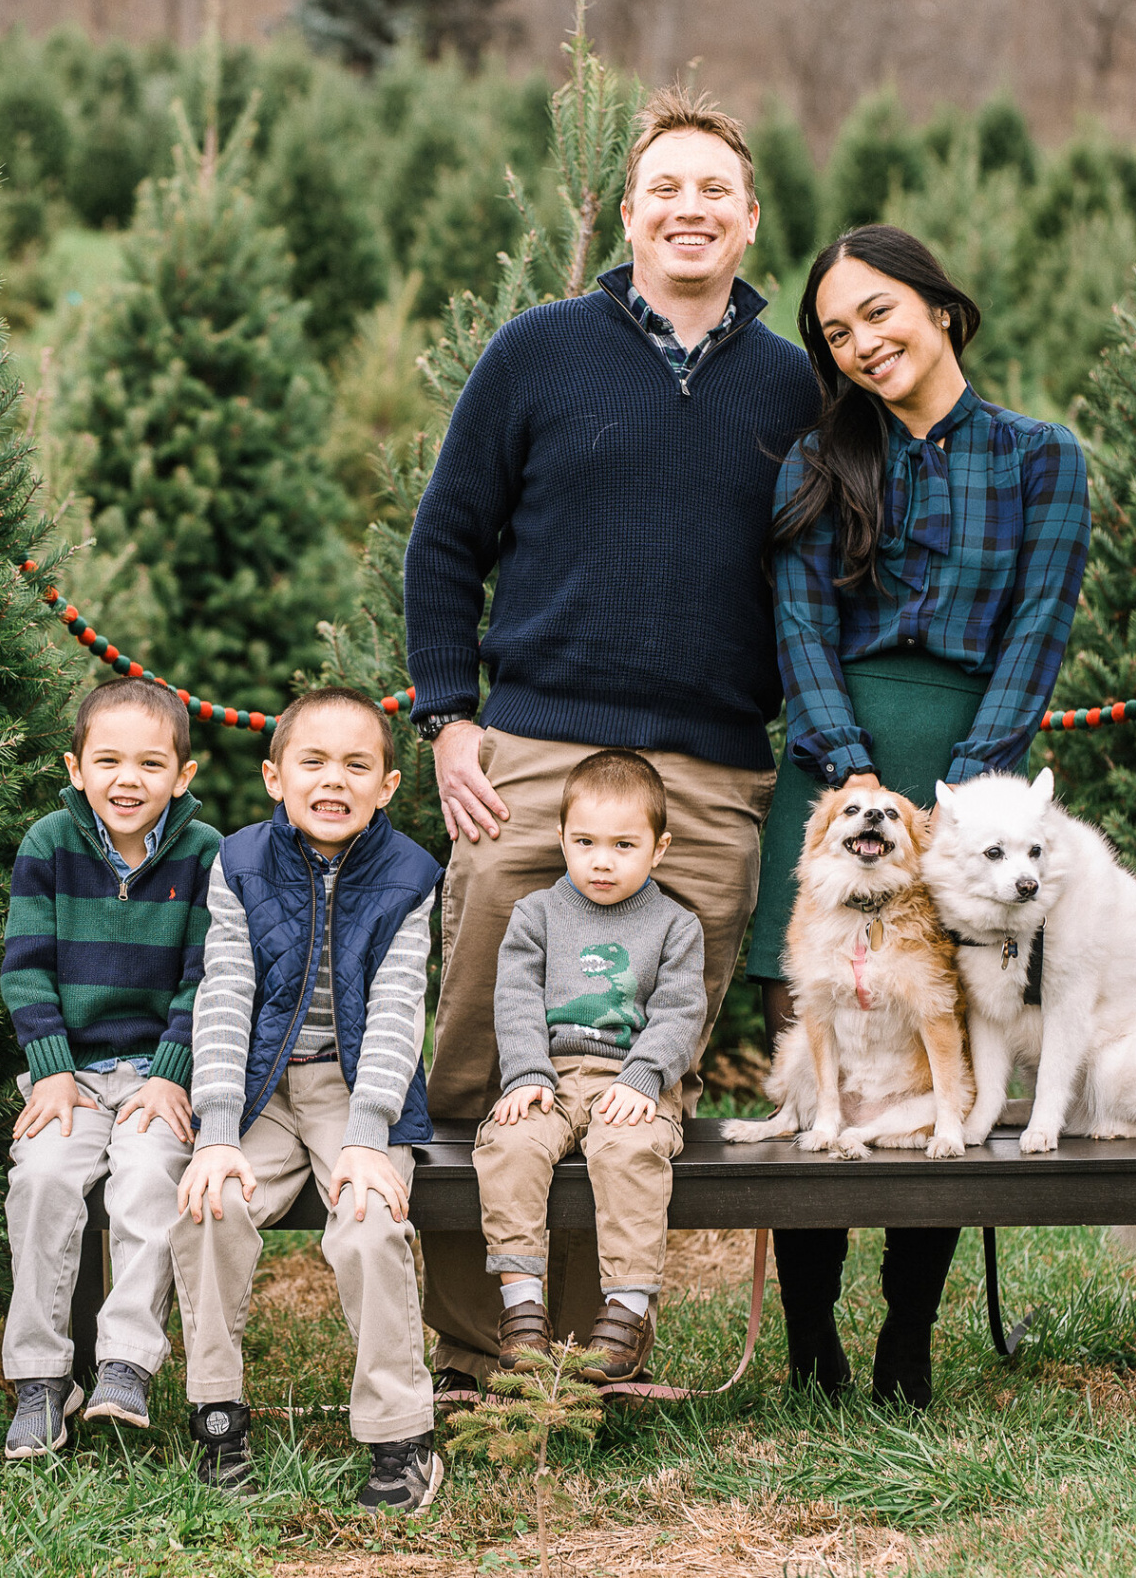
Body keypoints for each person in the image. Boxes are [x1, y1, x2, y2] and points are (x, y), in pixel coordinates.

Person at [401, 85, 821, 1397]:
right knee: (489, 1046)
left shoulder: (791, 385)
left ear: (748, 221)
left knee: (639, 1064)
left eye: (714, 191)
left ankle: (596, 1340)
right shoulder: (537, 352)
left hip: (705, 773)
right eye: (664, 189)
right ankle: (485, 1352)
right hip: (531, 749)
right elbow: (443, 543)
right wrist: (447, 717)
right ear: (629, 213)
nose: (687, 209)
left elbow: (824, 579)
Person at [752, 224, 1091, 1407]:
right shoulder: (813, 459)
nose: (861, 344)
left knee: (940, 1032)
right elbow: (798, 628)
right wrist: (853, 783)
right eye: (835, 333)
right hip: (832, 762)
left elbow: (1035, 629)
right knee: (829, 1032)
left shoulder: (1040, 459)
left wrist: (963, 799)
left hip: (970, 776)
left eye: (878, 314)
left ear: (939, 307)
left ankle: (907, 1337)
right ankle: (809, 1341)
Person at [170, 688, 445, 1514]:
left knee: (368, 1219)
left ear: (388, 785)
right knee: (208, 1205)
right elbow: (223, 993)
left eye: (356, 764)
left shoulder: (409, 874)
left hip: (356, 1089)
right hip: (259, 1085)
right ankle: (218, 1412)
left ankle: (400, 1432)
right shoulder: (240, 862)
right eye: (312, 761)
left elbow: (399, 1008)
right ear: (273, 775)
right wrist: (217, 1130)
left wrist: (369, 1135)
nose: (333, 780)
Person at [0, 678, 222, 1458]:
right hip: (73, 1076)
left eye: (150, 763)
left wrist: (172, 1071)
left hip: (158, 1075)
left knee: (150, 1176)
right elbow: (25, 968)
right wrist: (51, 1068)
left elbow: (209, 976)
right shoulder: (48, 842)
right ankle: (40, 1380)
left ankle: (124, 1362)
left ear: (182, 776)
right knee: (42, 1180)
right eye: (109, 760)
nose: (128, 779)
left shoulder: (204, 853)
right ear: (77, 765)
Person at [473, 750, 708, 1383]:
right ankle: (523, 1311)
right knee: (510, 1144)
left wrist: (645, 1078)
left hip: (631, 1080)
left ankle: (626, 1312)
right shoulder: (538, 914)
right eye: (585, 842)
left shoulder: (675, 926)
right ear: (561, 840)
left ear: (659, 849)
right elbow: (516, 998)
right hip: (546, 1074)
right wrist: (524, 1074)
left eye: (623, 845)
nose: (601, 860)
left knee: (628, 1151)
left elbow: (681, 1013)